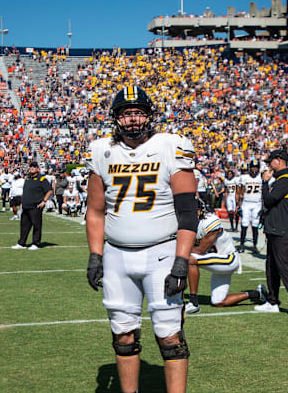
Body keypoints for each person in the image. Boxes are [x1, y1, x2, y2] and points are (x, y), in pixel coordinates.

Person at [84, 86, 197, 393]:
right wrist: (96, 255)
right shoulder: (101, 150)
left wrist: (181, 261)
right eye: (125, 114)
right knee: (122, 334)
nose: (132, 120)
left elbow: (187, 212)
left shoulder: (171, 146)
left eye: (138, 113)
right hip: (117, 255)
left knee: (170, 335)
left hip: (162, 252)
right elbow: (95, 211)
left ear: (149, 115)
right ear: (115, 118)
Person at [184, 199, 266, 314]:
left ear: (200, 210)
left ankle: (193, 302)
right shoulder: (189, 225)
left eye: (193, 211)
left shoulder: (210, 221)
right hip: (218, 263)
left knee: (190, 259)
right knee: (218, 302)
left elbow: (200, 250)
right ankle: (257, 293)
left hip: (229, 259)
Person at [254, 149, 288, 320]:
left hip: (283, 230)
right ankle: (272, 301)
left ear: (279, 160)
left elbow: (270, 199)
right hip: (275, 229)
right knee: (271, 267)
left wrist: (264, 183)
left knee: (283, 267)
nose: (269, 165)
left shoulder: (286, 179)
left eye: (271, 162)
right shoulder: (281, 179)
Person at [11, 162, 52, 251]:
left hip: (35, 206)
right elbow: (25, 191)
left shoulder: (42, 179)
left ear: (38, 169)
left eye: (34, 167)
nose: (32, 168)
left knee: (36, 225)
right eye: (31, 166)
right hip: (26, 205)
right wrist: (22, 201)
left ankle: (36, 243)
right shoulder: (27, 178)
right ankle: (21, 243)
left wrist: (44, 201)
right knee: (24, 226)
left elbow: (49, 190)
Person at [236, 160, 263, 253]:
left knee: (255, 224)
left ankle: (255, 245)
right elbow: (241, 192)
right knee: (244, 224)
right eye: (253, 167)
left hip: (257, 203)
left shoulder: (261, 178)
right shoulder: (244, 177)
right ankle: (242, 244)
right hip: (246, 203)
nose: (254, 169)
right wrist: (238, 204)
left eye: (256, 167)